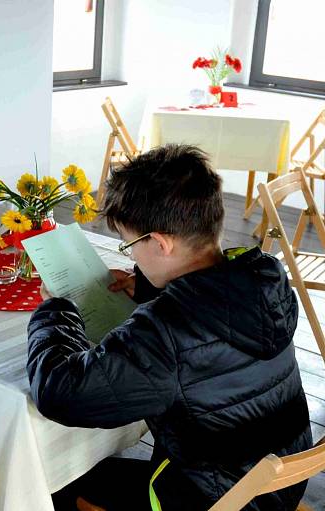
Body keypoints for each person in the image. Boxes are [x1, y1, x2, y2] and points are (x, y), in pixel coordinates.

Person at [28, 144, 311, 510]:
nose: (131, 256)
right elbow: (209, 313)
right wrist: (146, 286)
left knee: (55, 484)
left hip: (209, 498)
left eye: (130, 245)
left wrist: (55, 309)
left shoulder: (166, 330)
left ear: (160, 243)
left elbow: (60, 392)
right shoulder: (264, 279)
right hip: (274, 483)